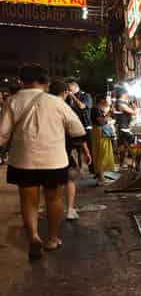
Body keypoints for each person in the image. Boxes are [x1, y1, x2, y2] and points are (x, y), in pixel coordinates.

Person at [0, 64, 86, 260]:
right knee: (54, 199)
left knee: (28, 201)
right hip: (53, 160)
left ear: (22, 81)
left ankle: (33, 237)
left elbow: (2, 136)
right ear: (46, 82)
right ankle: (53, 239)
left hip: (23, 160)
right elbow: (78, 129)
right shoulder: (56, 102)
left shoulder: (12, 101)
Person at [50, 80, 92, 220]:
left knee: (50, 183)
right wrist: (86, 151)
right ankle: (69, 210)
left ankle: (51, 210)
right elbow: (77, 132)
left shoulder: (40, 105)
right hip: (63, 148)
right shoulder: (65, 107)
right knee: (69, 179)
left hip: (45, 150)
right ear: (65, 93)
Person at [90, 96, 116, 185]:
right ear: (102, 101)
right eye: (107, 100)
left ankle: (101, 177)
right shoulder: (96, 109)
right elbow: (101, 121)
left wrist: (108, 114)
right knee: (102, 154)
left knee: (100, 154)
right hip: (100, 133)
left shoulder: (97, 109)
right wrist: (109, 122)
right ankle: (101, 179)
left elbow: (102, 118)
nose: (108, 102)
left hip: (99, 133)